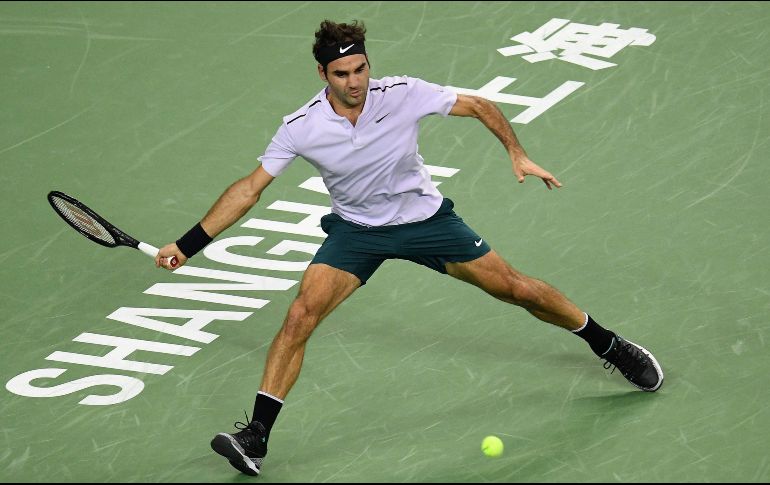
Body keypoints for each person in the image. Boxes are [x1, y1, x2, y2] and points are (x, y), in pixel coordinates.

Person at [156, 19, 664, 477]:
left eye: (361, 69)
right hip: (357, 232)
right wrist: (189, 244)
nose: (355, 82)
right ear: (322, 74)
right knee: (299, 316)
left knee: (516, 289)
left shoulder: (402, 93)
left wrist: (517, 152)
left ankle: (608, 344)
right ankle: (256, 438)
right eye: (342, 74)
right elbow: (250, 189)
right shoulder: (301, 127)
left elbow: (479, 105)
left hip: (425, 222)